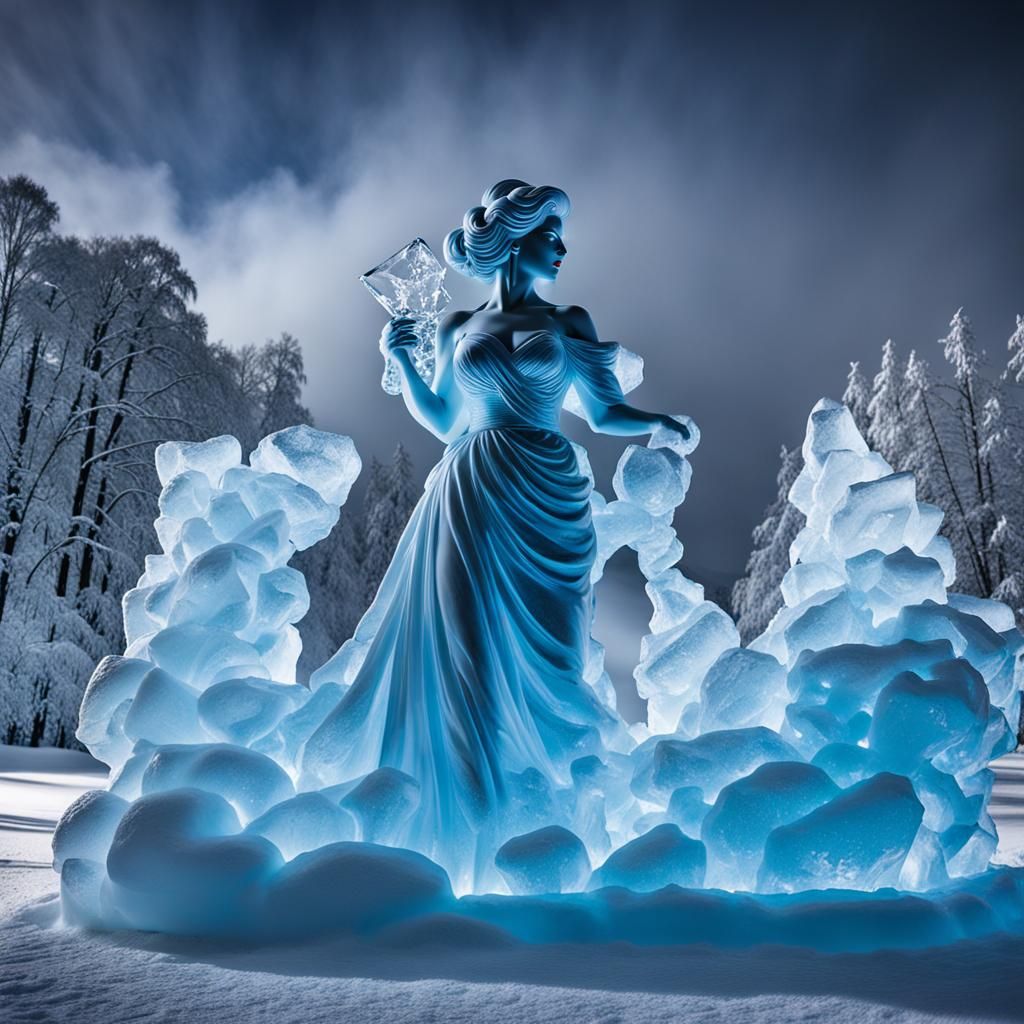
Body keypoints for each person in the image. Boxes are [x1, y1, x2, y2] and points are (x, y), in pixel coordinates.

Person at [300, 179, 690, 892]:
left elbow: (603, 412)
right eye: (550, 234)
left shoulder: (569, 321)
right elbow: (445, 419)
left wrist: (657, 422)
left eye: (561, 235)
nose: (562, 247)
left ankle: (546, 818)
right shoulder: (456, 327)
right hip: (472, 489)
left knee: (553, 661)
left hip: (546, 493)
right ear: (514, 237)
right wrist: (401, 357)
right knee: (464, 649)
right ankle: (466, 829)